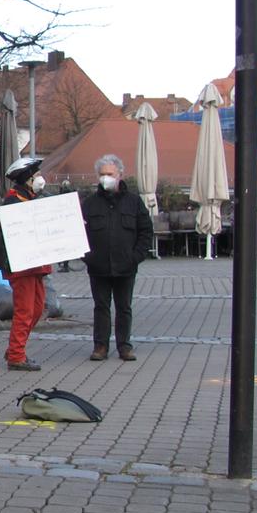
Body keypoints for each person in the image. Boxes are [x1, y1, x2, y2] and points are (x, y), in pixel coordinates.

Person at [81, 154, 152, 362]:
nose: (106, 178)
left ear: (120, 175)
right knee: (101, 307)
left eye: (110, 174)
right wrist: (88, 257)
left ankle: (124, 346)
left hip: (126, 265)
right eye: (102, 174)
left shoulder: (134, 202)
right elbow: (78, 233)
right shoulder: (90, 203)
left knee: (124, 307)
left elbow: (146, 231)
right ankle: (100, 346)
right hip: (98, 266)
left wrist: (136, 256)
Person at [0, 157, 52, 371]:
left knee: (36, 309)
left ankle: (16, 347)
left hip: (35, 264)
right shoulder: (14, 201)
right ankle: (16, 355)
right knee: (25, 311)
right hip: (21, 265)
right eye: (35, 175)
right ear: (26, 179)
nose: (39, 179)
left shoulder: (31, 199)